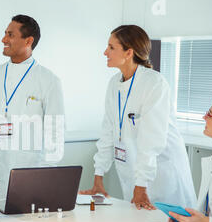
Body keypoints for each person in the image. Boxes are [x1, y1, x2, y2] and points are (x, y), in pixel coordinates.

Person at [80, 25, 196, 210]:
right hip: (135, 175)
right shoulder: (114, 84)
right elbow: (108, 131)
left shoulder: (154, 83)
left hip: (162, 175)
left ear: (129, 52)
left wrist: (141, 184)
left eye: (111, 47)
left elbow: (152, 140)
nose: (105, 52)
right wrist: (98, 176)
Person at [0, 14, 65, 199]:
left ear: (28, 41)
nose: (3, 39)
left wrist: (44, 176)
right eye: (5, 34)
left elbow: (55, 133)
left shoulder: (48, 80)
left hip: (28, 174)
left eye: (10, 35)